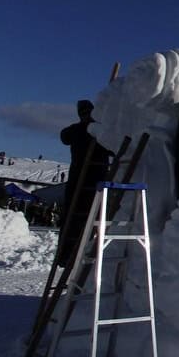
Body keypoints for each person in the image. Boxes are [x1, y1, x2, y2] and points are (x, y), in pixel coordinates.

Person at [57, 100, 112, 266]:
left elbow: (64, 136)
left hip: (80, 179)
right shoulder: (96, 130)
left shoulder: (78, 130)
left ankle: (67, 257)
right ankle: (72, 257)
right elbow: (113, 148)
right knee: (89, 219)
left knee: (74, 219)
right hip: (94, 180)